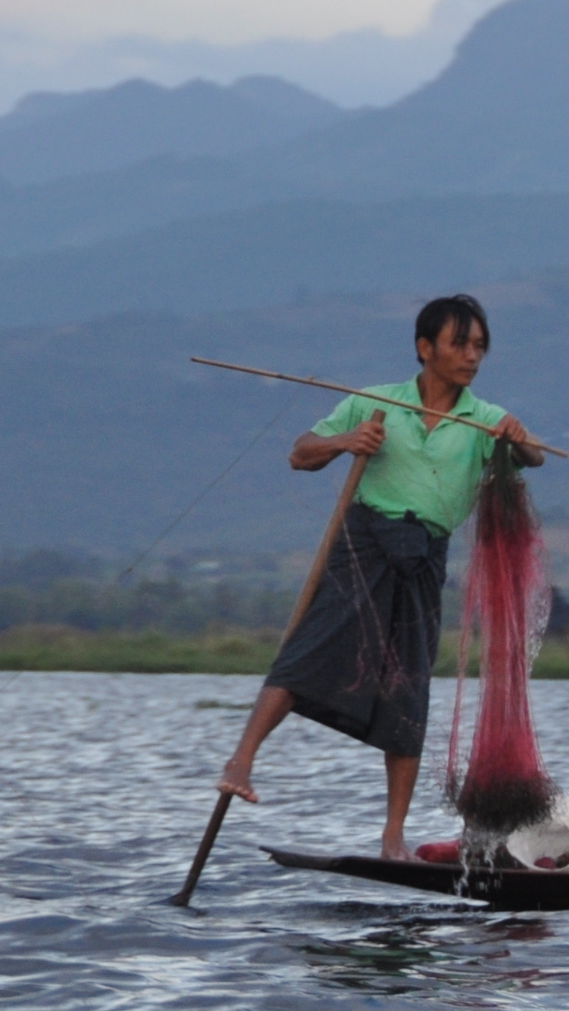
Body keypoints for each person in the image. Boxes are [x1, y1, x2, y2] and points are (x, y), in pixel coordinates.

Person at [216, 294, 544, 857]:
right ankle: (241, 761)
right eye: (460, 344)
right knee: (307, 651)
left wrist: (520, 441)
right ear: (425, 348)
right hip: (363, 541)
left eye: (479, 348)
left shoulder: (485, 419)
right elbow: (301, 453)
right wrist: (346, 441)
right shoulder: (375, 402)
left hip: (423, 557)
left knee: (407, 691)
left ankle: (393, 836)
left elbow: (535, 457)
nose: (471, 356)